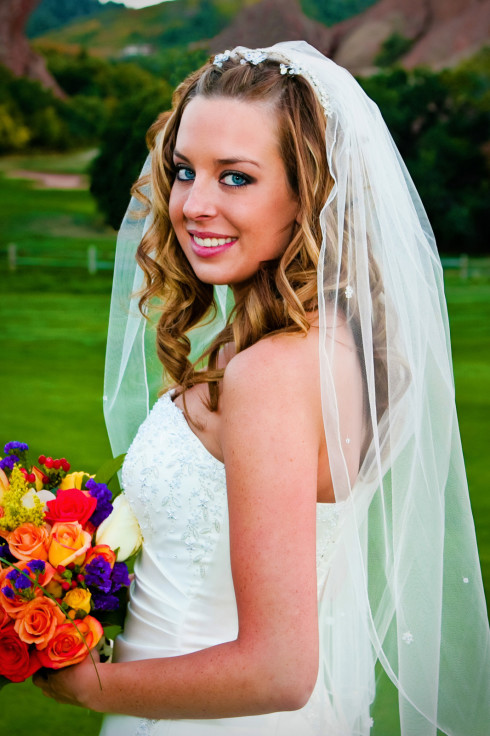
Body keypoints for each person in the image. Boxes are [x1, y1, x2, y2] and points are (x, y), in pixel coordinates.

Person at [33, 41, 490, 735]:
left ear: (309, 190)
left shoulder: (271, 371)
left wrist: (89, 686)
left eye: (236, 178)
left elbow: (277, 668)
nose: (193, 203)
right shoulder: (331, 339)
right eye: (185, 171)